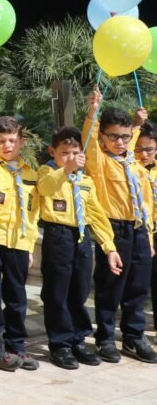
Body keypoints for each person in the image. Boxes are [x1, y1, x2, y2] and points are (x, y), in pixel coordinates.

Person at [36, 126, 120, 370]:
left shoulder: (85, 181)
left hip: (81, 237)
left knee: (80, 290)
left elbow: (96, 215)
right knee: (57, 292)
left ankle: (78, 339)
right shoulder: (47, 172)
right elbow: (46, 188)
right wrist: (66, 169)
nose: (70, 158)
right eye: (64, 153)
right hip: (58, 236)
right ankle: (60, 343)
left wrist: (109, 246)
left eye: (75, 153)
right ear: (52, 151)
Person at [83, 87, 157, 363]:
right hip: (114, 230)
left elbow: (146, 204)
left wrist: (149, 239)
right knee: (110, 285)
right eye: (113, 136)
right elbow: (89, 141)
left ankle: (133, 337)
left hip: (139, 229)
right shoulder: (100, 162)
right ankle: (105, 338)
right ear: (103, 136)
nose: (120, 142)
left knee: (138, 286)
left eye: (125, 137)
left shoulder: (134, 163)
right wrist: (93, 112)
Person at [0, 116, 40, 372]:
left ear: (21, 141)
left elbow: (33, 213)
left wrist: (30, 245)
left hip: (19, 242)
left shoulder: (31, 173)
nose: (7, 146)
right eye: (1, 141)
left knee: (17, 298)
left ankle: (16, 345)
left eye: (12, 140)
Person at [133, 120, 157, 330]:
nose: (144, 154)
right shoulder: (132, 170)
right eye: (138, 149)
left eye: (149, 149)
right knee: (142, 283)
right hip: (142, 229)